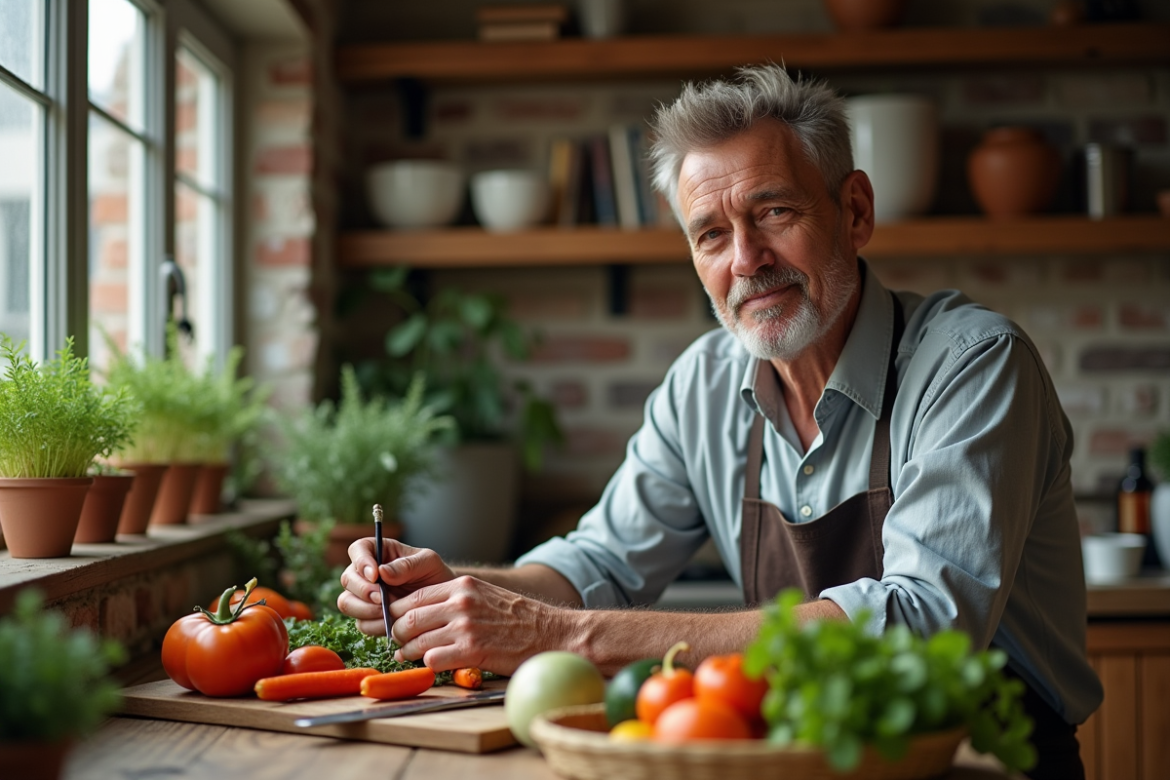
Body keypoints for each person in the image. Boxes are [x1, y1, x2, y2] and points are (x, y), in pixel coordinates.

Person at [338, 64, 1101, 778]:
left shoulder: (972, 365)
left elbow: (924, 622)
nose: (746, 258)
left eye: (773, 211)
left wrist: (560, 635)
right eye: (710, 234)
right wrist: (452, 591)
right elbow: (597, 566)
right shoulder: (702, 385)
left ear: (855, 211)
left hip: (984, 761)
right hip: (789, 760)